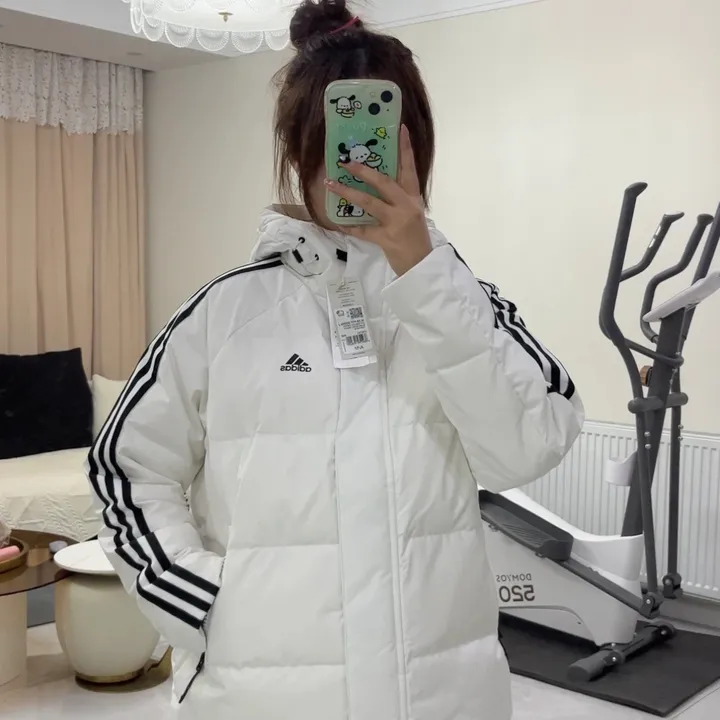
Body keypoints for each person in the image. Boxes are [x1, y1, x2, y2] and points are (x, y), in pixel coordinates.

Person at [85, 1, 584, 718]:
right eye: (336, 144)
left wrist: (425, 273)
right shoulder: (222, 314)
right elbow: (125, 467)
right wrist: (199, 598)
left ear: (417, 150)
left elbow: (527, 447)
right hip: (261, 691)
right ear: (299, 155)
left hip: (440, 696)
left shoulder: (467, 306)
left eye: (380, 142)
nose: (356, 164)